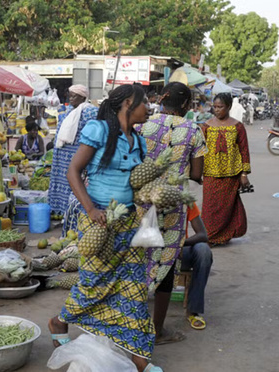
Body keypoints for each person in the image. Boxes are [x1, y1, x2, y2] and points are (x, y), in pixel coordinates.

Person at [49, 85, 162, 372]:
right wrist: (90, 209)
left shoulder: (139, 141)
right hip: (98, 222)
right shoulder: (98, 130)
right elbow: (73, 171)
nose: (148, 108)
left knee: (135, 288)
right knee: (94, 282)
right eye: (145, 102)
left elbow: (135, 184)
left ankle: (140, 359)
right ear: (127, 103)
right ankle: (60, 321)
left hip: (128, 223)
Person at [134, 82, 207, 344]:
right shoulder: (194, 130)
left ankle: (131, 323)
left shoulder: (142, 125)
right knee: (166, 264)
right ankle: (157, 330)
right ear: (187, 105)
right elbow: (197, 174)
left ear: (161, 99)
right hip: (173, 209)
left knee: (138, 260)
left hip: (141, 203)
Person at [201, 93, 251, 245]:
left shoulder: (237, 126)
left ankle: (222, 236)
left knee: (226, 207)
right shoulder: (206, 126)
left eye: (220, 107)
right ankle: (209, 236)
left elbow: (244, 150)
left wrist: (244, 173)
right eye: (215, 107)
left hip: (231, 174)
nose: (217, 110)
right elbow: (200, 150)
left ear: (228, 107)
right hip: (210, 173)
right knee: (209, 207)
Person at [48, 85, 98, 218]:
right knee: (64, 185)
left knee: (78, 186)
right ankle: (65, 215)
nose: (70, 98)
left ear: (82, 97)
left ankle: (78, 215)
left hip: (78, 156)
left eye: (74, 96)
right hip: (62, 158)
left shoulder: (90, 112)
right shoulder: (68, 111)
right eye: (69, 95)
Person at [181, 203, 213, 330]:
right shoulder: (149, 201)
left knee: (203, 250)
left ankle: (193, 310)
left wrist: (180, 244)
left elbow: (202, 235)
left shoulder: (186, 202)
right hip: (155, 252)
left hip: (180, 251)